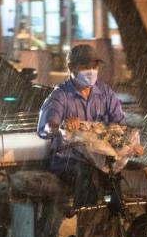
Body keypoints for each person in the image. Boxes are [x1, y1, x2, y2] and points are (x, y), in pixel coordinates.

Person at [37, 44, 125, 209]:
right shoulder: (59, 96)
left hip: (99, 158)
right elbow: (46, 128)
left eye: (94, 66)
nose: (91, 71)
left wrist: (130, 146)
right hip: (67, 161)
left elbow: (119, 124)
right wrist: (62, 127)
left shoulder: (105, 92)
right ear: (71, 67)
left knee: (117, 176)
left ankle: (119, 223)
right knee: (86, 173)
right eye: (85, 66)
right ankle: (85, 224)